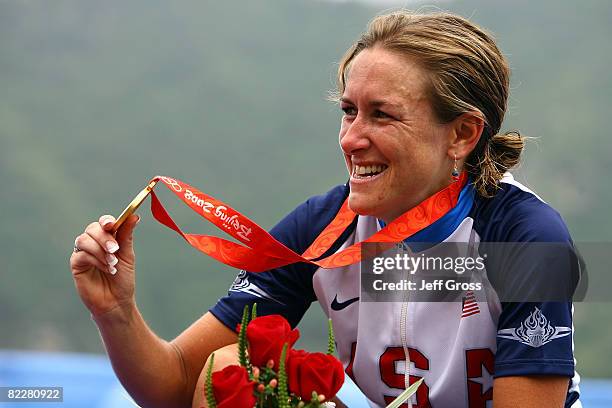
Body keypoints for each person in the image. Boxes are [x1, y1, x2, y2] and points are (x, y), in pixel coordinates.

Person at [70, 11, 581, 408]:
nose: (351, 139)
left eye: (382, 115)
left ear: (462, 134)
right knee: (229, 369)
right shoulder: (325, 226)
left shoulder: (527, 237)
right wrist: (115, 312)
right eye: (348, 111)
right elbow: (179, 383)